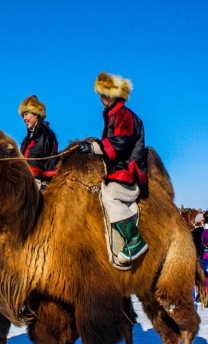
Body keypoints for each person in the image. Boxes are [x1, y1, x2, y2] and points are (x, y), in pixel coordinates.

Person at [77, 71, 148, 269]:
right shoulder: (113, 116)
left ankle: (135, 241)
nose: (101, 99)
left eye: (104, 94)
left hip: (128, 174)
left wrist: (93, 147)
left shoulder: (125, 116)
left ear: (113, 94)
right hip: (118, 172)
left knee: (109, 196)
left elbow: (120, 143)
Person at [18, 95, 59, 190]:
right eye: (23, 115)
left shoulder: (47, 135)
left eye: (26, 114)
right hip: (22, 180)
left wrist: (45, 182)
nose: (24, 119)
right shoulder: (26, 140)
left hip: (37, 182)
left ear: (35, 114)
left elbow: (51, 160)